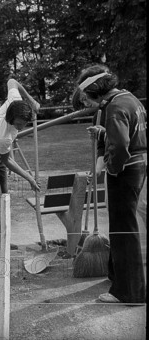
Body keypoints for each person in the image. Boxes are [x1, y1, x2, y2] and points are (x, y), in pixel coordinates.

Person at [75, 64, 146, 304]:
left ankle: (129, 292)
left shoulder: (113, 107)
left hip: (126, 170)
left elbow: (121, 146)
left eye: (87, 98)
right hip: (138, 166)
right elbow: (132, 135)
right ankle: (117, 277)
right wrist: (105, 133)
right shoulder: (129, 98)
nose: (88, 102)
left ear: (96, 92)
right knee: (121, 226)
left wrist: (112, 170)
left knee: (124, 231)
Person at [0, 79, 41, 269]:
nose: (21, 128)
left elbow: (12, 81)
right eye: (19, 125)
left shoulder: (15, 102)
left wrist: (31, 100)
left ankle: (2, 241)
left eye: (24, 124)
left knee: (5, 199)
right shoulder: (2, 134)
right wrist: (29, 177)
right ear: (11, 119)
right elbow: (7, 161)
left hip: (0, 153)